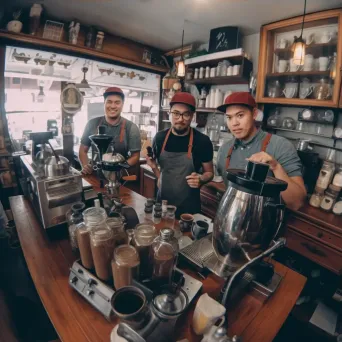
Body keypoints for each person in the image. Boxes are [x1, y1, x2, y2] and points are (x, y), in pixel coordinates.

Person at [216, 92, 306, 211]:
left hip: (264, 224)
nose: (234, 123)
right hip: (230, 219)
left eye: (240, 115)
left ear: (254, 114)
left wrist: (276, 167)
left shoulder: (281, 146)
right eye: (229, 117)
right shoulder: (225, 150)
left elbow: (297, 202)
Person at [146, 92, 214, 217]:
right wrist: (154, 167)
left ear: (192, 116)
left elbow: (209, 172)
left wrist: (201, 179)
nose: (180, 119)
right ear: (169, 113)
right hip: (163, 205)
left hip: (189, 209)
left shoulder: (202, 141)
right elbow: (161, 175)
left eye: (186, 114)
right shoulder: (159, 138)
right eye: (176, 113)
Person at [79, 87, 141, 174]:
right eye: (109, 102)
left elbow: (135, 156)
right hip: (95, 175)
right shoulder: (92, 124)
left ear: (122, 104)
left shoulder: (131, 127)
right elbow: (83, 150)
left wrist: (120, 167)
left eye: (117, 102)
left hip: (119, 177)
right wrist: (86, 166)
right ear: (104, 103)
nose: (112, 106)